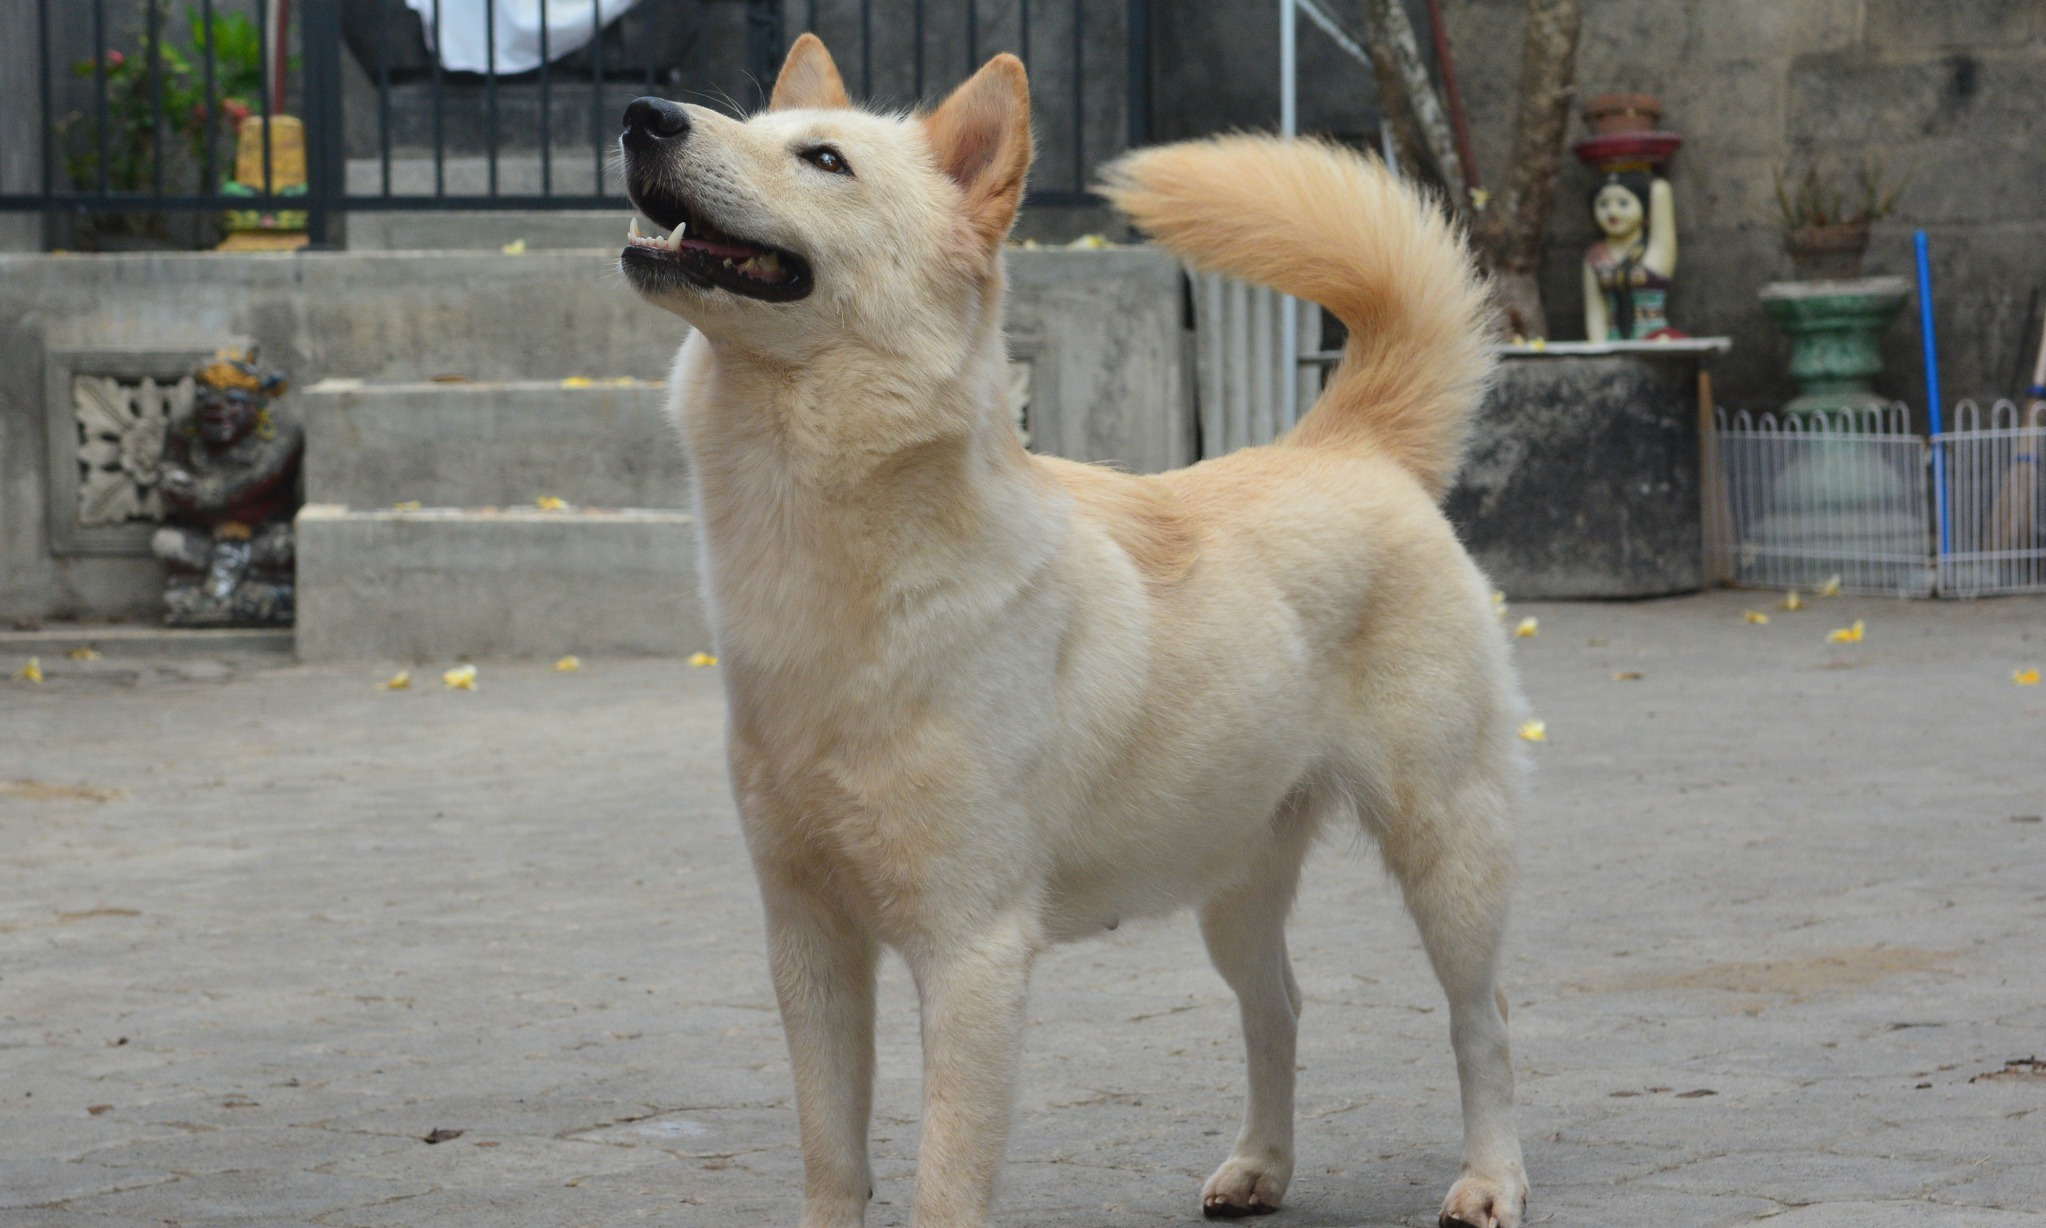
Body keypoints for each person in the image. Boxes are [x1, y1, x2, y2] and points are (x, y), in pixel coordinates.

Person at [150, 350, 301, 626]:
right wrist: (181, 486)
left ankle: (241, 595)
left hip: (263, 535)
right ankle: (226, 595)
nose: (219, 410)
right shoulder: (185, 430)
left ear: (257, 406)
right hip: (207, 535)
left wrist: (203, 494)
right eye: (208, 402)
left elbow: (249, 488)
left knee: (287, 546)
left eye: (233, 401)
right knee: (167, 543)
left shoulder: (282, 437)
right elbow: (167, 471)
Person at [1582, 170, 1680, 341]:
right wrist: (1600, 350)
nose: (1612, 212)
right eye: (1603, 204)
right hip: (1614, 342)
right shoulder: (1595, 256)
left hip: (1654, 339)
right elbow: (1595, 313)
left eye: (1623, 203)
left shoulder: (1655, 250)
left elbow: (1660, 189)